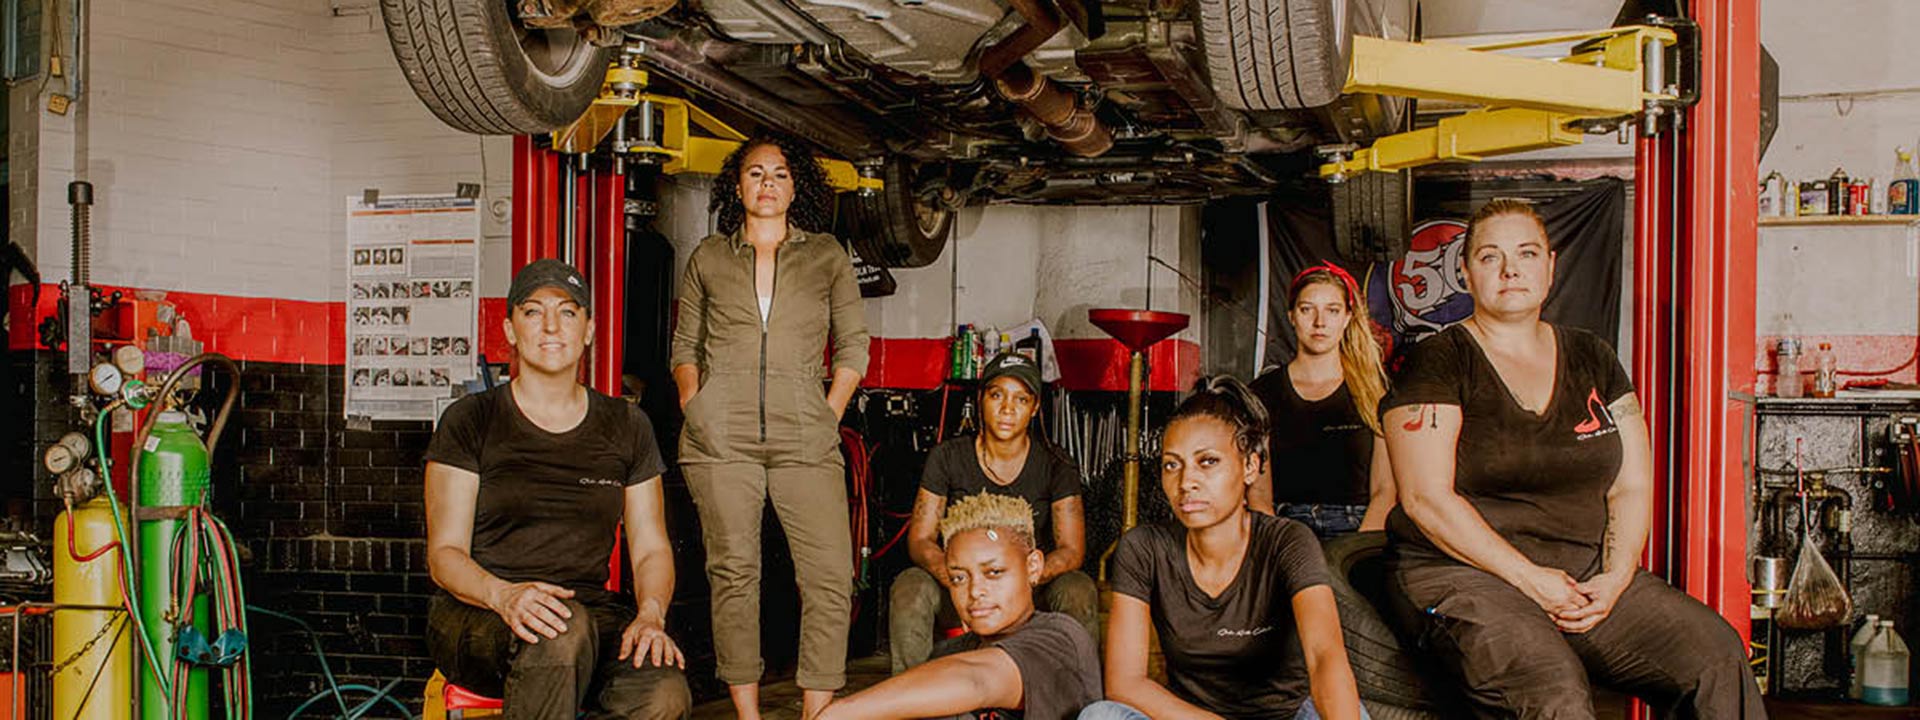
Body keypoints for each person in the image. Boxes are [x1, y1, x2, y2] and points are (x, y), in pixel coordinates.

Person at [1379, 199, 1765, 719]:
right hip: (1463, 574)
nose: (1511, 269)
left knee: (1714, 656)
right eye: (1491, 256)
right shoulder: (1439, 360)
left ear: (1551, 266)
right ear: (1467, 274)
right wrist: (1530, 579)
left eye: (1527, 253)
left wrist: (1617, 576)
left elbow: (1629, 485)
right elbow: (1426, 498)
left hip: (1581, 572)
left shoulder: (1593, 357)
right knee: (1552, 690)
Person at [423, 259, 691, 719]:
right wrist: (504, 596)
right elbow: (444, 554)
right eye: (533, 312)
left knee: (662, 692)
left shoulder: (627, 425)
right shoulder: (471, 420)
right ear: (510, 329)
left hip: (585, 611)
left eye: (568, 312)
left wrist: (650, 614)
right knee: (560, 634)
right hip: (477, 614)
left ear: (588, 329)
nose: (551, 326)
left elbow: (650, 548)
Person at [670, 131, 869, 720]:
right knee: (734, 574)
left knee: (831, 575)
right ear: (738, 185)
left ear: (795, 186)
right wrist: (694, 403)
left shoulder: (826, 254)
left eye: (779, 174)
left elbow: (853, 344)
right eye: (756, 173)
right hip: (720, 437)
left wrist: (827, 413)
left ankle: (815, 710)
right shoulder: (708, 256)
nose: (767, 184)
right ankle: (749, 714)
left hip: (805, 434)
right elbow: (685, 345)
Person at [1084, 376, 1364, 720]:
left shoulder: (1288, 541)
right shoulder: (1144, 548)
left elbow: (1325, 658)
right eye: (1172, 464)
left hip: (1287, 716)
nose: (1186, 482)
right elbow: (1125, 683)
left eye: (1207, 462)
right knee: (1101, 716)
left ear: (1249, 467)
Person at [892, 351, 1097, 673]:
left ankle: (1077, 696)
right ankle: (910, 698)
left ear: (1035, 408)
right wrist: (958, 578)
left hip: (1030, 591)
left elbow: (1072, 551)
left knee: (1078, 588)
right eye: (997, 395)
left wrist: (1023, 578)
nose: (1006, 409)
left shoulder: (1057, 465)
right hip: (961, 589)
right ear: (981, 399)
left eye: (1020, 399)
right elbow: (920, 540)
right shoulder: (947, 458)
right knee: (909, 587)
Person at [819, 493, 1103, 720]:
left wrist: (841, 712)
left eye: (993, 572)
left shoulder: (1060, 637)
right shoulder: (951, 652)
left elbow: (978, 679)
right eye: (958, 577)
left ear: (1032, 567)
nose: (975, 590)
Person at [1250, 263, 1395, 537]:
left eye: (1332, 310)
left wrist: (1358, 550)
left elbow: (1385, 491)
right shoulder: (1261, 393)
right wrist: (1278, 548)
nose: (1320, 322)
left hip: (1358, 527)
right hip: (1286, 527)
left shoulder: (1376, 390)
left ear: (1348, 317)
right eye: (1307, 309)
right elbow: (1258, 494)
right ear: (1291, 316)